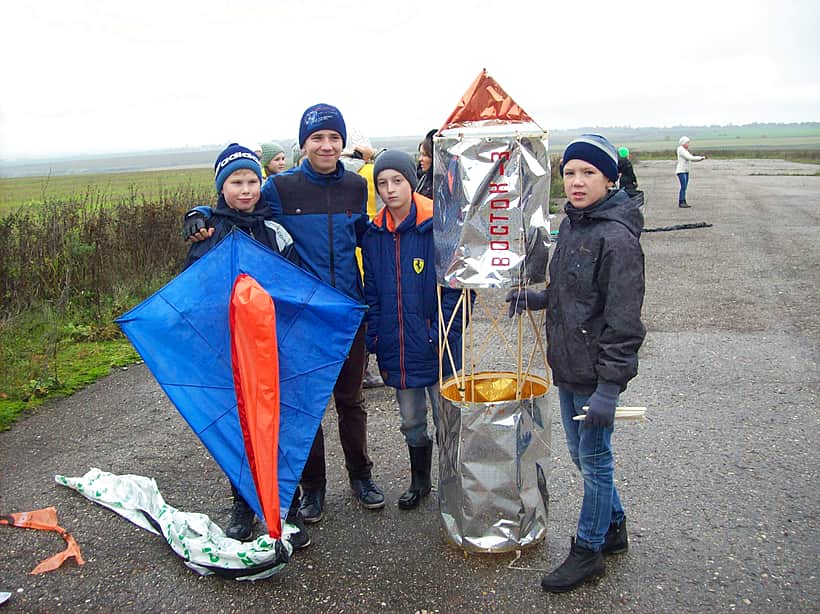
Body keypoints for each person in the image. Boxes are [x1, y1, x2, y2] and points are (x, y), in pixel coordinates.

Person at [183, 104, 386, 523]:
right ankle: (312, 489)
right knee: (304, 406)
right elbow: (240, 206)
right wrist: (199, 216)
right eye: (317, 138)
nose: (326, 145)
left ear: (342, 142)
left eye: (334, 137)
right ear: (303, 144)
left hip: (348, 311)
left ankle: (361, 476)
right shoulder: (281, 188)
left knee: (351, 400)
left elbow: (366, 233)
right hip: (300, 321)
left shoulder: (353, 186)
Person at [506, 134, 645, 593]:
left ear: (609, 178)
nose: (577, 182)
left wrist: (609, 389)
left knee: (595, 460)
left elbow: (623, 324)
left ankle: (588, 551)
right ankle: (614, 528)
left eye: (588, 173)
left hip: (595, 376)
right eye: (569, 173)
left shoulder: (617, 239)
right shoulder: (573, 225)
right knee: (586, 459)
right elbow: (571, 294)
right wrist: (537, 296)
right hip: (566, 365)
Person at [183, 143, 309, 549]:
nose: (245, 189)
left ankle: (286, 505)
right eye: (236, 182)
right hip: (230, 352)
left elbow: (296, 284)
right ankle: (243, 504)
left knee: (278, 427)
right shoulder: (208, 233)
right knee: (239, 430)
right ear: (221, 188)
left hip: (272, 350)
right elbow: (194, 293)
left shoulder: (274, 230)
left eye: (252, 180)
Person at [362, 150, 470, 509]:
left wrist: (447, 333)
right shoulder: (374, 233)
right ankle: (420, 482)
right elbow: (373, 290)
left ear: (411, 181)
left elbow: (457, 287)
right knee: (411, 420)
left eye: (397, 181)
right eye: (382, 183)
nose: (390, 190)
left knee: (447, 420)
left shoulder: (437, 226)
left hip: (436, 343)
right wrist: (375, 335)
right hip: (398, 345)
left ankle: (453, 485)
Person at [340, 128, 385, 389]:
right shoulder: (369, 173)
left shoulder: (337, 175)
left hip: (346, 252)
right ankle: (363, 370)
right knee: (367, 314)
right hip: (368, 245)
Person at [675, 136, 706, 208]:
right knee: (683, 187)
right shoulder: (681, 150)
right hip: (681, 171)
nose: (688, 144)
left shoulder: (685, 150)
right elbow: (690, 158)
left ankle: (683, 201)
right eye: (687, 143)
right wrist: (700, 158)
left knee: (684, 187)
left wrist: (699, 158)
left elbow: (691, 157)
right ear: (683, 143)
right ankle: (681, 201)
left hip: (685, 171)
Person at [416, 129, 436, 199]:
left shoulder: (440, 186)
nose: (420, 159)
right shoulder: (423, 178)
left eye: (424, 155)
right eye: (420, 154)